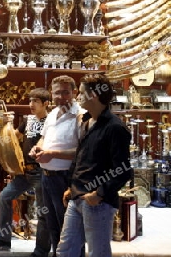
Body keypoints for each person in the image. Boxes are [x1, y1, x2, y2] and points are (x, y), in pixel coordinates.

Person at [57, 74, 132, 257]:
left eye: (81, 93)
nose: (78, 97)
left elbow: (123, 170)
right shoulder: (86, 121)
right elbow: (80, 157)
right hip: (77, 196)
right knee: (65, 250)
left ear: (94, 95)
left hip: (98, 202)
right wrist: (71, 186)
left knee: (98, 253)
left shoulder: (115, 127)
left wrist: (99, 193)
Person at [0, 88, 52, 257]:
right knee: (4, 197)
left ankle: (41, 250)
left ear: (46, 104)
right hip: (24, 171)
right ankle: (3, 239)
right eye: (30, 101)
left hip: (41, 171)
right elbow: (13, 137)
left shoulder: (51, 121)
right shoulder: (28, 120)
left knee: (42, 211)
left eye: (36, 101)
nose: (31, 105)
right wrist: (6, 124)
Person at [30, 75, 86, 257]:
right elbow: (44, 137)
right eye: (57, 93)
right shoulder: (52, 114)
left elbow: (83, 151)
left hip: (66, 179)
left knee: (69, 230)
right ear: (51, 94)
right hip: (46, 176)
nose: (61, 97)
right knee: (52, 225)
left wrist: (53, 154)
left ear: (75, 93)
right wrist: (37, 147)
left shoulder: (81, 116)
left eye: (65, 92)